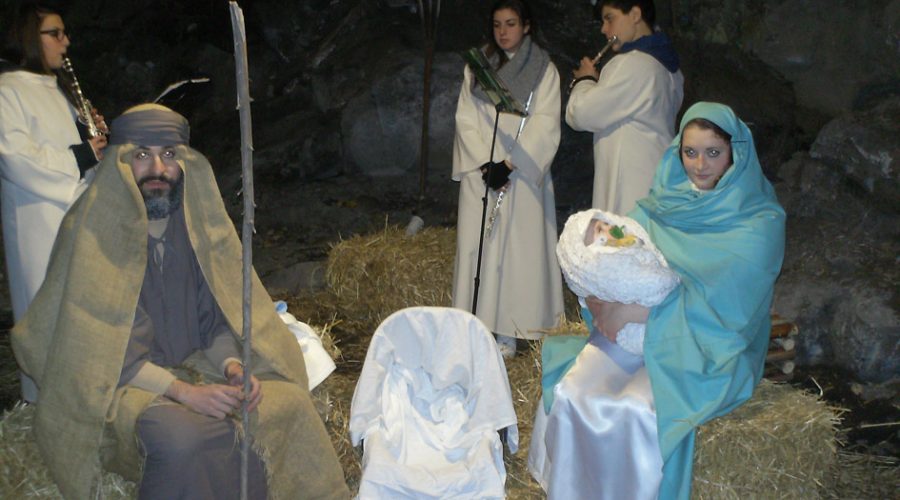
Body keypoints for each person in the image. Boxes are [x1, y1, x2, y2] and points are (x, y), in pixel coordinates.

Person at [11, 104, 349, 499]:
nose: (158, 168)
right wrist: (184, 393)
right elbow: (99, 354)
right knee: (183, 438)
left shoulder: (196, 230)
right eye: (142, 155)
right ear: (119, 163)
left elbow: (218, 320)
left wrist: (234, 367)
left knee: (287, 403)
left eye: (169, 155)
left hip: (197, 364)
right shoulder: (89, 234)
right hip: (121, 385)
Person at [528, 102, 786, 499]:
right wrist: (600, 297)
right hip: (641, 331)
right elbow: (622, 256)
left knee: (636, 410)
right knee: (576, 392)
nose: (699, 165)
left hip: (705, 345)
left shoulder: (760, 222)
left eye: (713, 152)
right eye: (690, 151)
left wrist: (631, 310)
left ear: (736, 152)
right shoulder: (666, 202)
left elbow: (729, 308)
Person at [0, 3, 107, 401]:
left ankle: (83, 398)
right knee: (48, 312)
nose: (67, 42)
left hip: (74, 214)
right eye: (55, 34)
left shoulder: (59, 91)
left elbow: (80, 156)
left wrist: (91, 136)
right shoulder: (7, 90)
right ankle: (47, 405)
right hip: (39, 221)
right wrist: (80, 156)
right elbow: (13, 156)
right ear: (31, 37)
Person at [451, 0, 564, 357]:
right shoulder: (477, 66)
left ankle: (511, 330)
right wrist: (487, 163)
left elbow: (546, 122)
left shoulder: (544, 70)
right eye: (498, 24)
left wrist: (510, 163)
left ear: (526, 26)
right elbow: (465, 118)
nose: (503, 31)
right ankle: (477, 325)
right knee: (479, 250)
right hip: (483, 173)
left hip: (520, 174)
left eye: (511, 23)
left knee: (517, 254)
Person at [566, 0, 683, 214]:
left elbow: (581, 114)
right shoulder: (670, 69)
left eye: (610, 18)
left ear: (635, 14)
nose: (604, 29)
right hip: (654, 180)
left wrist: (586, 80)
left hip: (628, 186)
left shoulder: (632, 63)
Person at [555, 208, 680, 356]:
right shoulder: (607, 266)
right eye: (600, 230)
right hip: (657, 336)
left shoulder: (638, 247)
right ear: (587, 254)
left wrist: (624, 312)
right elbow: (659, 282)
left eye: (607, 223)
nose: (610, 228)